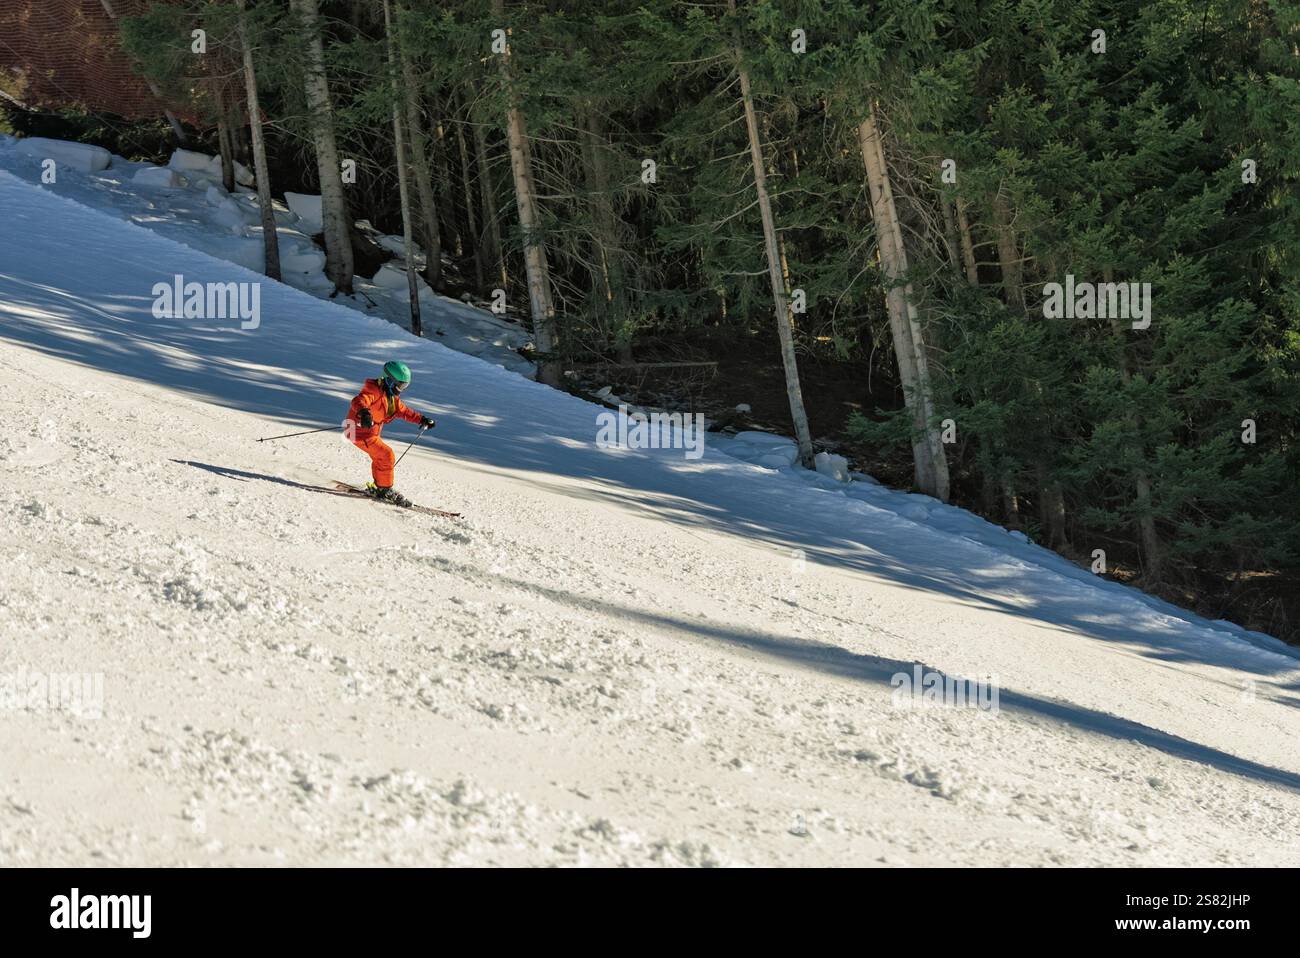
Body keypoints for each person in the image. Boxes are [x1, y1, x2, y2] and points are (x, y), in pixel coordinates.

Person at [346, 361, 435, 507]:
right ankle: (384, 489)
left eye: (404, 386)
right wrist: (364, 412)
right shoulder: (373, 390)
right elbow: (359, 400)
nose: (401, 389)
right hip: (357, 430)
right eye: (400, 385)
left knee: (380, 457)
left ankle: (379, 486)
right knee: (386, 454)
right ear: (389, 380)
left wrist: (422, 419)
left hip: (369, 433)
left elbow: (403, 411)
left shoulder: (391, 397)